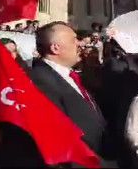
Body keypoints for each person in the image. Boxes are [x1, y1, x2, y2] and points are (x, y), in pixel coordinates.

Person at [28, 21, 111, 162]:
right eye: (74, 40)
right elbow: (58, 137)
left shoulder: (71, 75)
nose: (81, 44)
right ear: (56, 48)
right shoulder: (40, 81)